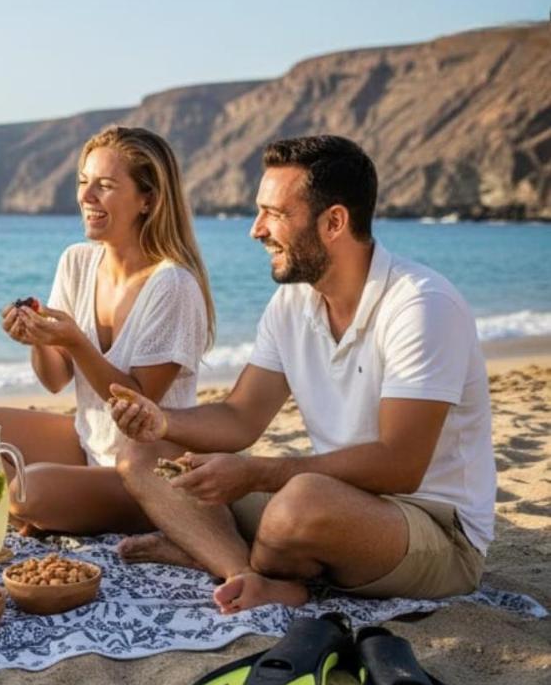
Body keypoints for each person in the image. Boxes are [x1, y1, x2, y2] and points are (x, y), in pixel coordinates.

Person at [110, 135, 494, 613]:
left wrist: (257, 473)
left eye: (275, 214)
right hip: (335, 503)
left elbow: (401, 464)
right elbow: (239, 416)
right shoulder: (293, 302)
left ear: (334, 221)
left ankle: (222, 554)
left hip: (433, 528)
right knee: (147, 456)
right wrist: (161, 423)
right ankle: (244, 572)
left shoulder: (421, 306)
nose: (256, 230)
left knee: (300, 500)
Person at [0, 126, 214, 534]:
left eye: (105, 186)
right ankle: (49, 507)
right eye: (83, 182)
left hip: (150, 469)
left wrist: (76, 341)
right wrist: (37, 340)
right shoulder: (76, 262)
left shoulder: (173, 285)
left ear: (148, 199)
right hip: (86, 444)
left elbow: (140, 404)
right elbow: (55, 379)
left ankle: (44, 507)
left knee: (30, 491)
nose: (86, 197)